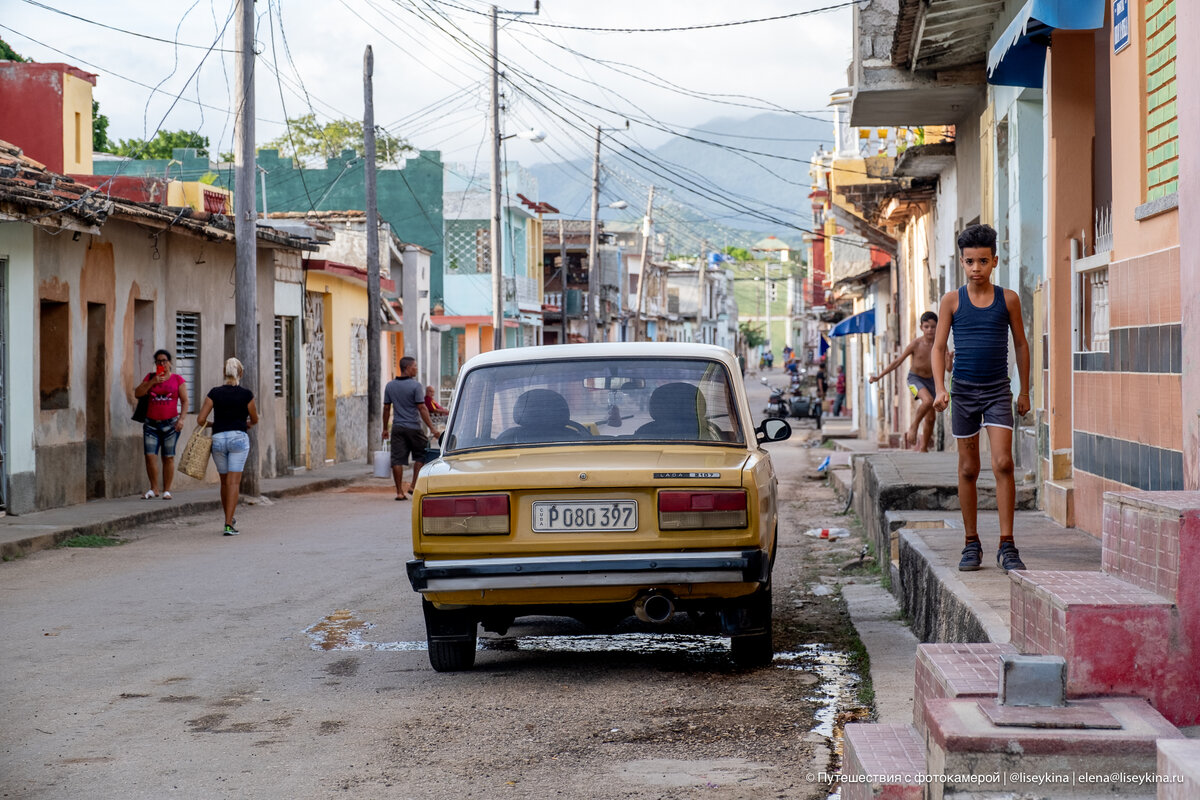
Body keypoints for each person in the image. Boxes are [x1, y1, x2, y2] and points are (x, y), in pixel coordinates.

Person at [932, 223, 1031, 573]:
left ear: (995, 261)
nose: (977, 268)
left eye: (983, 261)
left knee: (1004, 463)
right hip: (963, 393)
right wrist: (941, 388)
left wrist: (1025, 390)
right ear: (962, 262)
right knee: (968, 468)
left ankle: (1007, 544)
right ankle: (971, 544)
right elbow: (939, 346)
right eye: (971, 261)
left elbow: (1021, 344)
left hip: (997, 391)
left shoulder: (1009, 299)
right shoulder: (952, 301)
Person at [195, 357, 258, 536]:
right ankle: (229, 524)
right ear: (241, 373)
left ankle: (228, 518)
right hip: (238, 438)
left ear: (225, 373)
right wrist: (247, 424)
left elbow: (200, 420)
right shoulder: (246, 394)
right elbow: (254, 419)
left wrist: (214, 425)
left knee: (224, 482)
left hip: (218, 440)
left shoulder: (214, 393)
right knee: (234, 482)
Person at [870, 311, 940, 451]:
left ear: (938, 326)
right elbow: (897, 362)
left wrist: (949, 360)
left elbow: (949, 368)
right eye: (926, 327)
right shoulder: (916, 344)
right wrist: (879, 376)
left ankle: (923, 448)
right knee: (927, 401)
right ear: (921, 327)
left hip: (932, 381)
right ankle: (913, 427)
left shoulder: (939, 344)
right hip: (914, 379)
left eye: (933, 327)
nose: (930, 330)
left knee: (931, 417)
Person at [383, 356, 441, 501]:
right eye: (414, 366)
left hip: (397, 427)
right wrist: (432, 429)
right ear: (407, 368)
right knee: (421, 454)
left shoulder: (390, 386)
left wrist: (385, 429)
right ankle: (413, 486)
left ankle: (399, 492)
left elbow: (386, 408)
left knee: (397, 460)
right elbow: (421, 408)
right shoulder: (416, 386)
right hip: (414, 427)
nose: (416, 368)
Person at [134, 349, 187, 500]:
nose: (162, 364)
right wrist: (152, 382)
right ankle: (154, 488)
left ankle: (167, 490)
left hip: (171, 424)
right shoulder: (151, 377)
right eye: (158, 361)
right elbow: (137, 393)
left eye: (164, 361)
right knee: (150, 456)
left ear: (170, 363)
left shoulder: (177, 379)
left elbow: (185, 401)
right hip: (151, 424)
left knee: (168, 457)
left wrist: (181, 419)